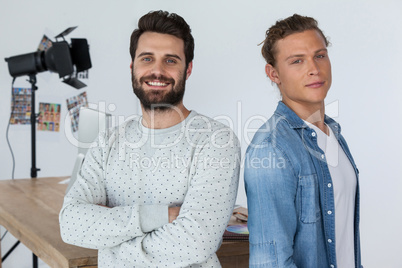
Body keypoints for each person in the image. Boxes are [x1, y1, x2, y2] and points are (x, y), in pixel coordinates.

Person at [59, 10, 241, 267]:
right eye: (147, 58)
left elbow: (195, 242)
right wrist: (162, 216)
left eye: (170, 60)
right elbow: (71, 224)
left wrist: (113, 245)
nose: (157, 71)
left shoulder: (216, 141)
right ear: (133, 67)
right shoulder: (108, 141)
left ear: (187, 69)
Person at [244, 14, 362, 268]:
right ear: (273, 73)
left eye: (319, 55)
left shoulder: (333, 133)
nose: (314, 69)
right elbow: (270, 263)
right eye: (297, 61)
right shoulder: (272, 147)